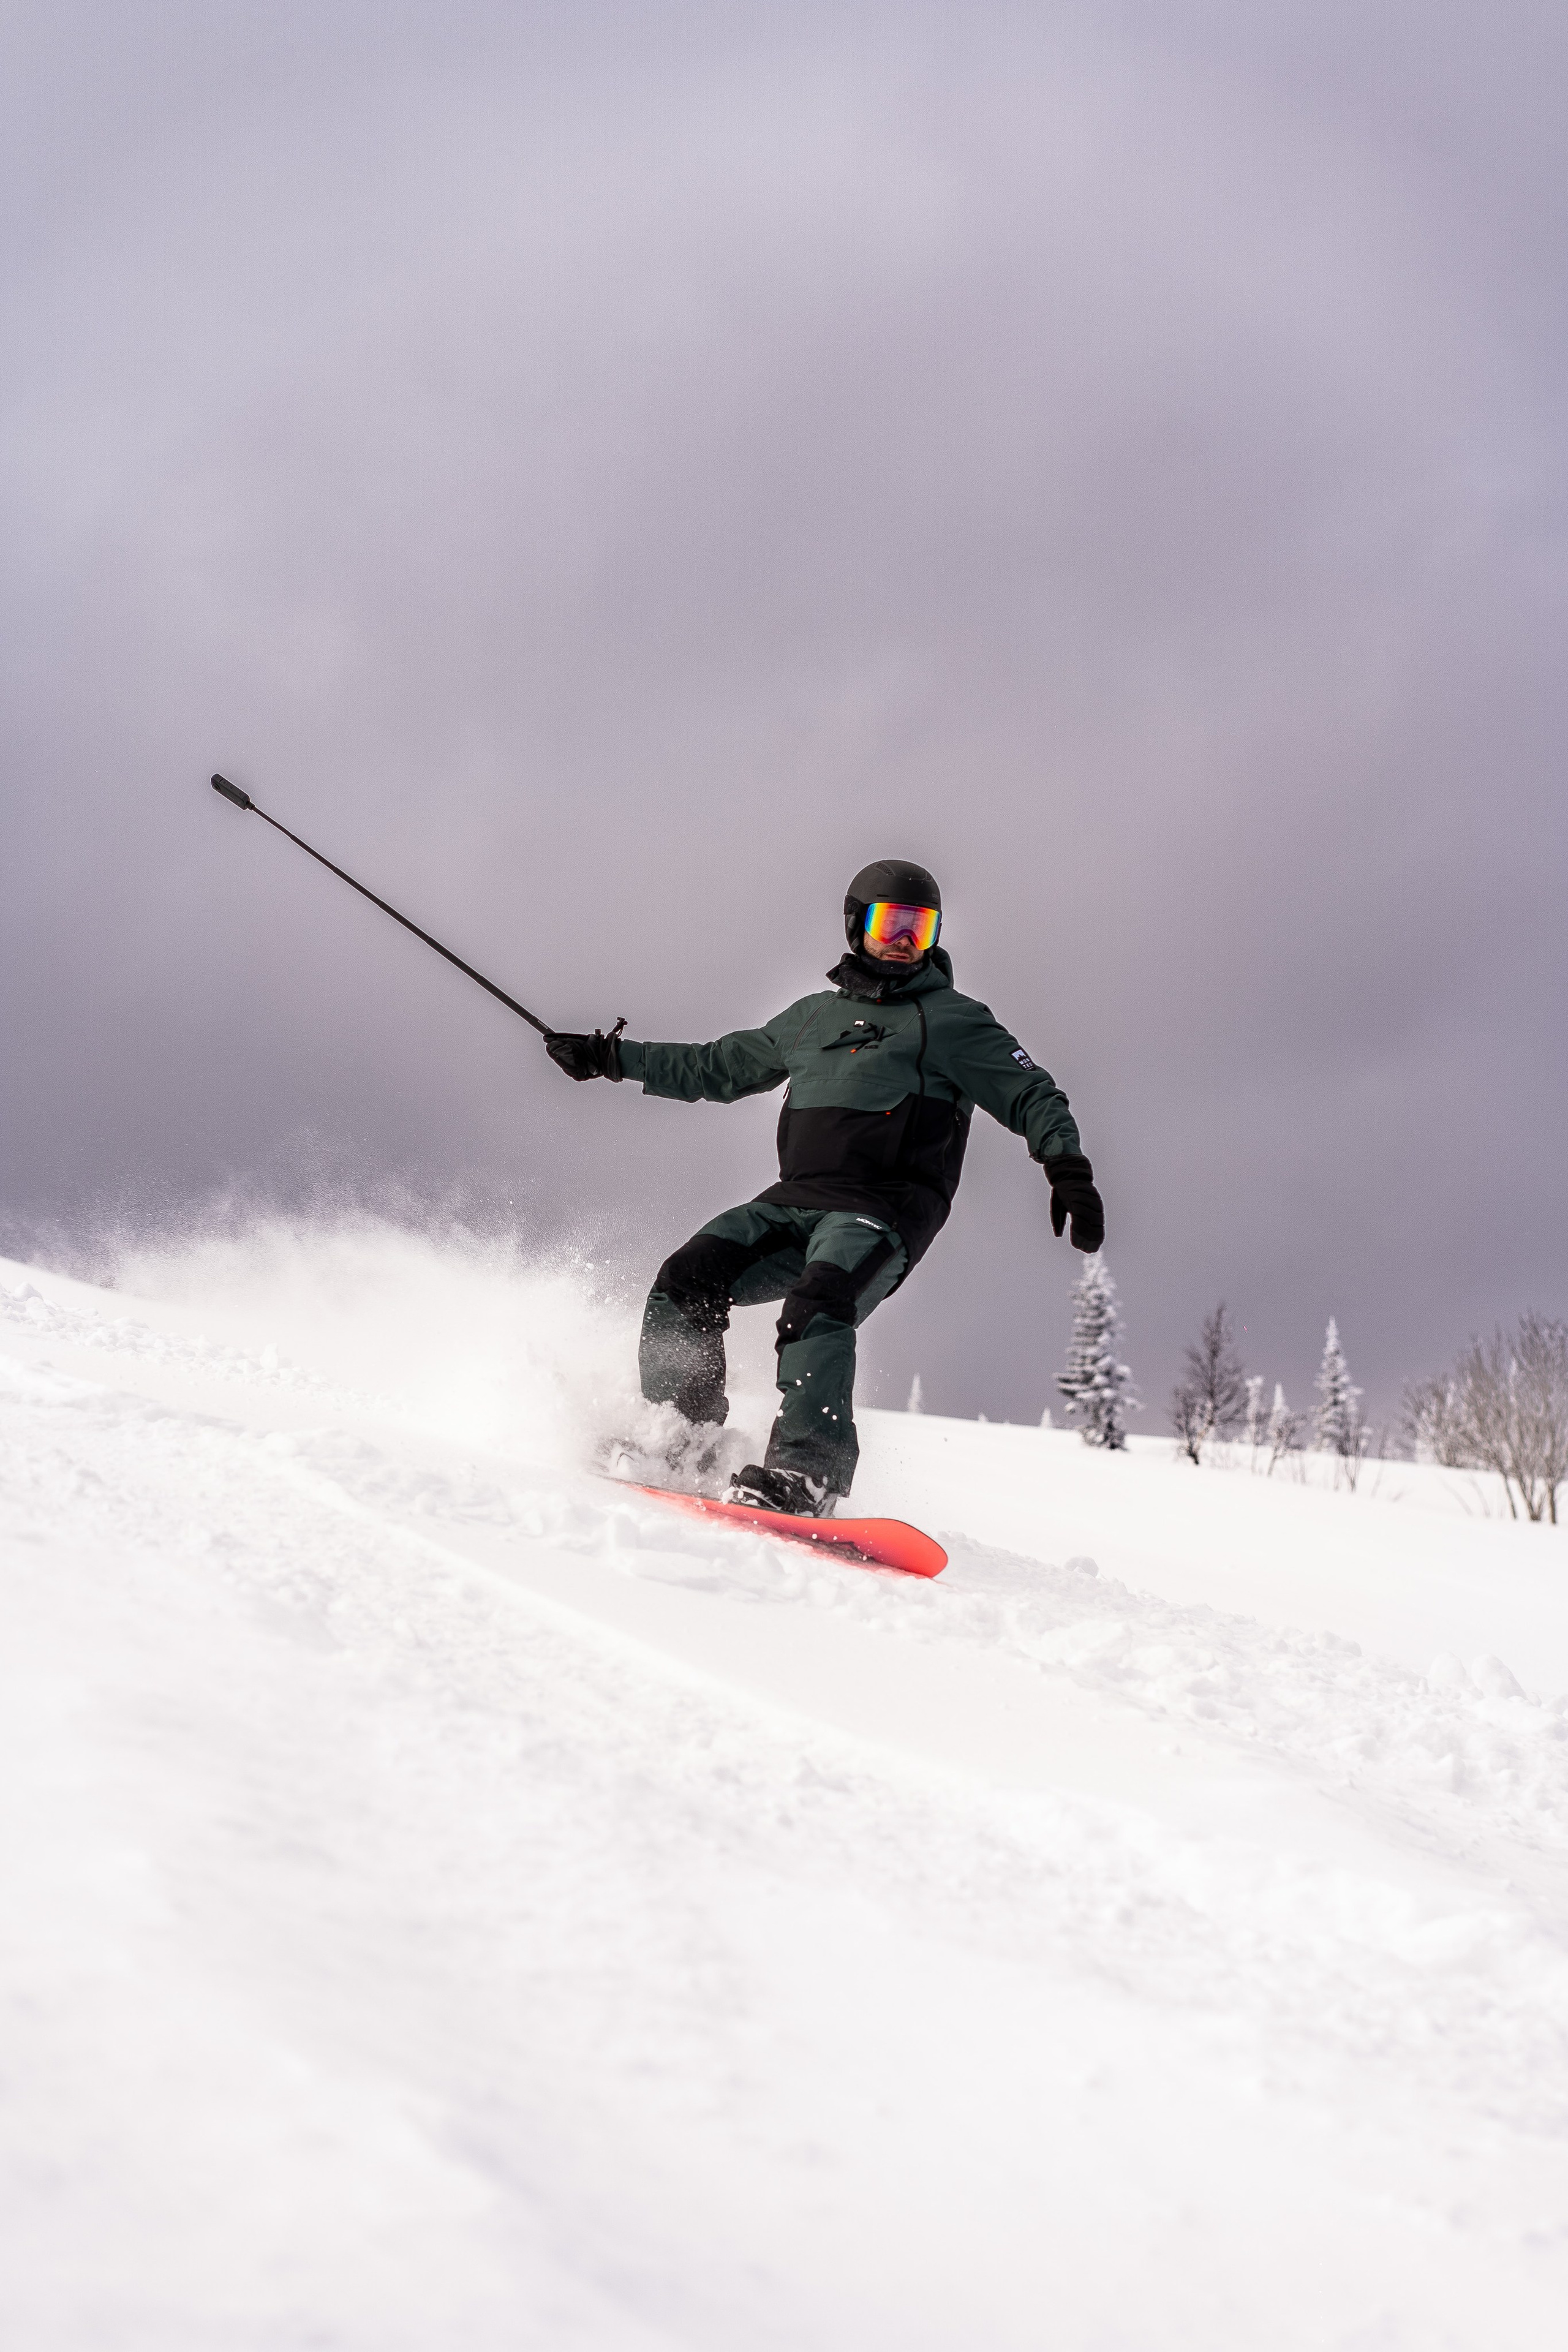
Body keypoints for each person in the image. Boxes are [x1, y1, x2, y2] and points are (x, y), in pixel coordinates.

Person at [543, 859, 1104, 1515]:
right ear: (855, 924)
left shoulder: (953, 1021)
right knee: (686, 1276)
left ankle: (809, 1474)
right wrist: (611, 1059)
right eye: (892, 923)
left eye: (919, 930)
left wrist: (1067, 1167)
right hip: (796, 1201)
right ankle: (680, 1439)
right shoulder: (813, 1018)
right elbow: (715, 1066)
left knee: (820, 1302)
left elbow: (1031, 1091)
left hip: (884, 1209)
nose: (903, 940)